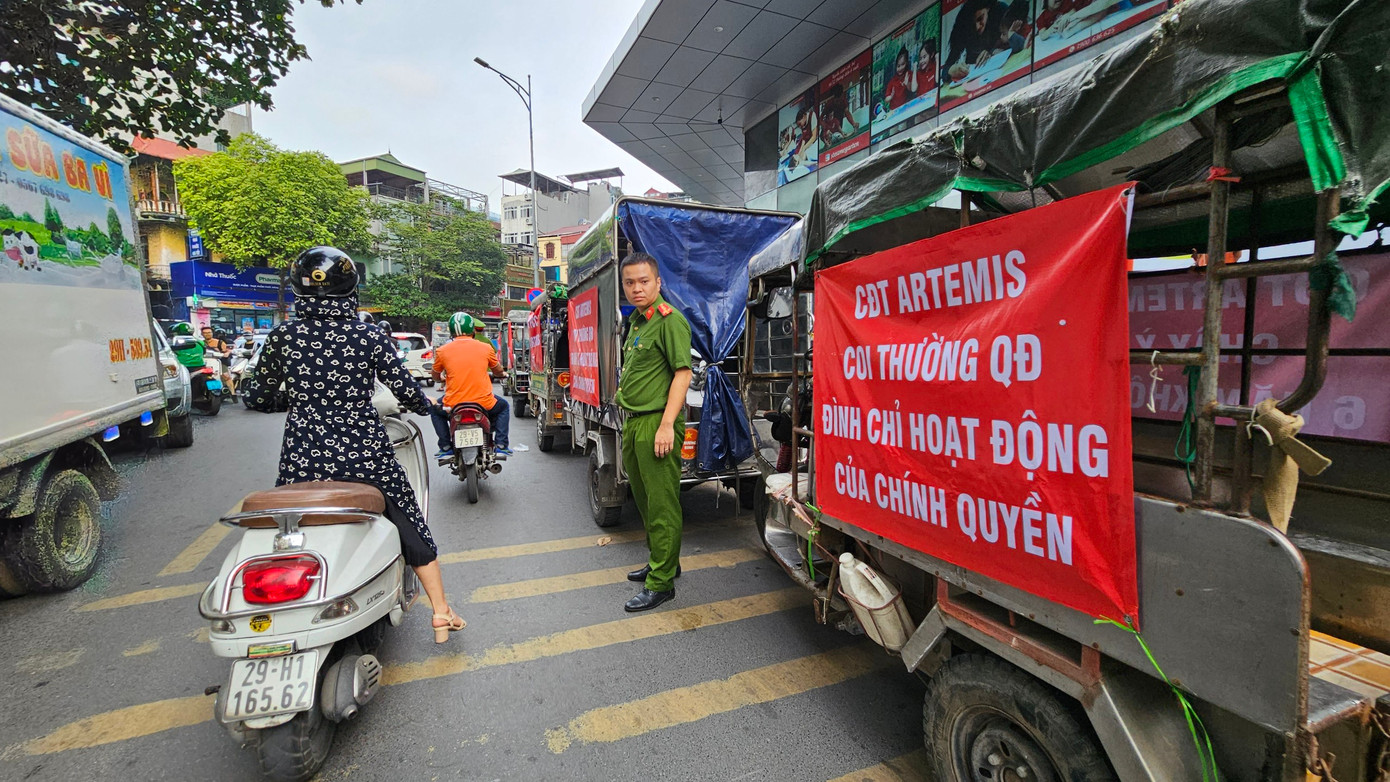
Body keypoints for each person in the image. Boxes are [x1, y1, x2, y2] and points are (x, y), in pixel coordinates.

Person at [244, 247, 465, 644]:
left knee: (290, 522)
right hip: (366, 454)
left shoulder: (282, 336)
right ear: (351, 292)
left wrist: (293, 400)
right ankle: (441, 611)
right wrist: (427, 404)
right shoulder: (368, 336)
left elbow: (257, 397)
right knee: (408, 520)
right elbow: (405, 389)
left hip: (302, 458)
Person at [615, 252, 692, 612]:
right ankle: (664, 560)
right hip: (633, 421)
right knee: (645, 500)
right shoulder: (637, 323)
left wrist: (665, 425)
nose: (636, 288)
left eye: (643, 281)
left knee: (662, 504)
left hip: (655, 422)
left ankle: (661, 584)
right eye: (629, 282)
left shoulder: (668, 320)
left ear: (658, 283)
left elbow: (683, 373)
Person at [429, 311, 511, 461]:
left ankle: (446, 446)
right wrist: (502, 374)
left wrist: (440, 378)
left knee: (434, 409)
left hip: (452, 404)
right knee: (504, 406)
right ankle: (501, 445)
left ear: (452, 331)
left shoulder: (442, 351)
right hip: (484, 403)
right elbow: (498, 370)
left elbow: (434, 375)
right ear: (473, 329)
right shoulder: (486, 348)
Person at [942, 0, 1025, 83]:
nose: (977, 27)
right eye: (972, 23)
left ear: (988, 9)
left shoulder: (1000, 10)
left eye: (980, 18)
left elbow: (1020, 39)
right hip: (974, 78)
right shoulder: (964, 28)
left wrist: (992, 51)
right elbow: (946, 69)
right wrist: (950, 70)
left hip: (1008, 69)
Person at [883, 46, 918, 111]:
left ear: (906, 63)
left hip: (906, 108)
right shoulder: (892, 81)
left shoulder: (909, 74)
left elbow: (913, 89)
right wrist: (891, 97)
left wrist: (907, 84)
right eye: (898, 66)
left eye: (903, 64)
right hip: (893, 110)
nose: (901, 68)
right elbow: (886, 99)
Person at [202, 326, 234, 395]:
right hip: (205, 363)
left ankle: (233, 393)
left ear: (212, 333)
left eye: (209, 332)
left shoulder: (219, 342)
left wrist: (226, 353)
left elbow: (227, 351)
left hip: (219, 362)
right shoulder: (200, 343)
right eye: (205, 333)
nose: (207, 334)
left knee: (226, 376)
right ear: (202, 334)